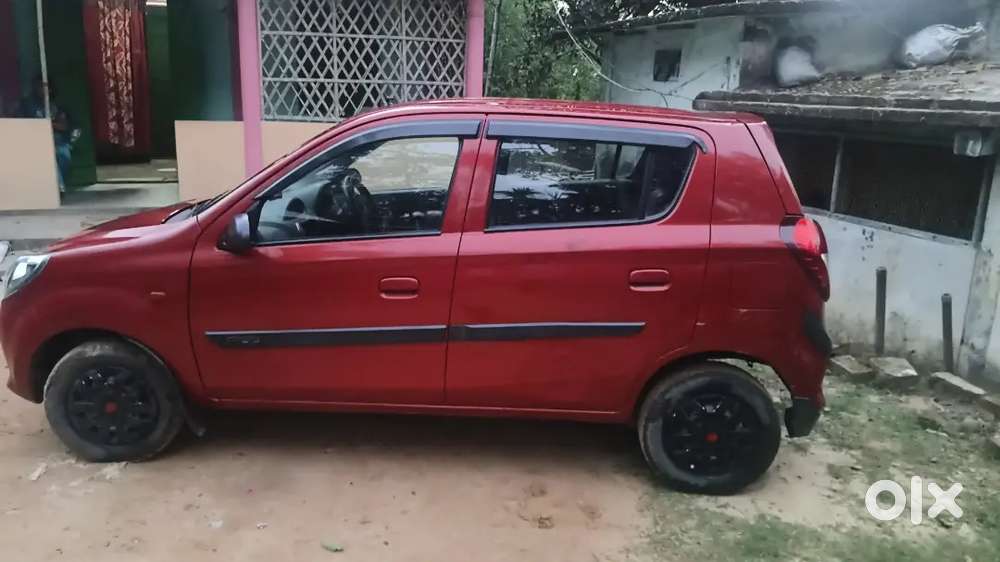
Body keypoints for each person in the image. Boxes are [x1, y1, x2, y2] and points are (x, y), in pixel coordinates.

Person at [20, 77, 77, 192]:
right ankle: (58, 189)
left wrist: (47, 124)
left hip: (57, 141)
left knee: (63, 156)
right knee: (48, 156)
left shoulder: (57, 106)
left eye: (45, 87)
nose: (42, 90)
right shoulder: (27, 105)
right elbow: (23, 125)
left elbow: (64, 126)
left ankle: (57, 186)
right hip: (35, 141)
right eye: (39, 86)